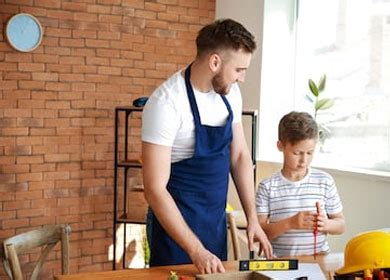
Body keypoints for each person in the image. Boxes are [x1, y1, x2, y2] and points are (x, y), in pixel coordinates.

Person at [142, 18, 272, 274]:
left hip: (213, 223)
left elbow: (240, 156)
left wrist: (252, 219)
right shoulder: (166, 103)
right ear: (215, 62)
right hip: (174, 232)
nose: (242, 78)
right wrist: (195, 250)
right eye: (239, 70)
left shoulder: (229, 93)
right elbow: (154, 189)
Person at [256, 111, 345, 257]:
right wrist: (290, 223)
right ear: (280, 146)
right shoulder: (267, 187)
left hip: (319, 260)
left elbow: (341, 225)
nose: (304, 160)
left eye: (310, 153)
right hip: (281, 263)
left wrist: (326, 224)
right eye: (297, 153)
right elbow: (258, 232)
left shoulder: (325, 181)